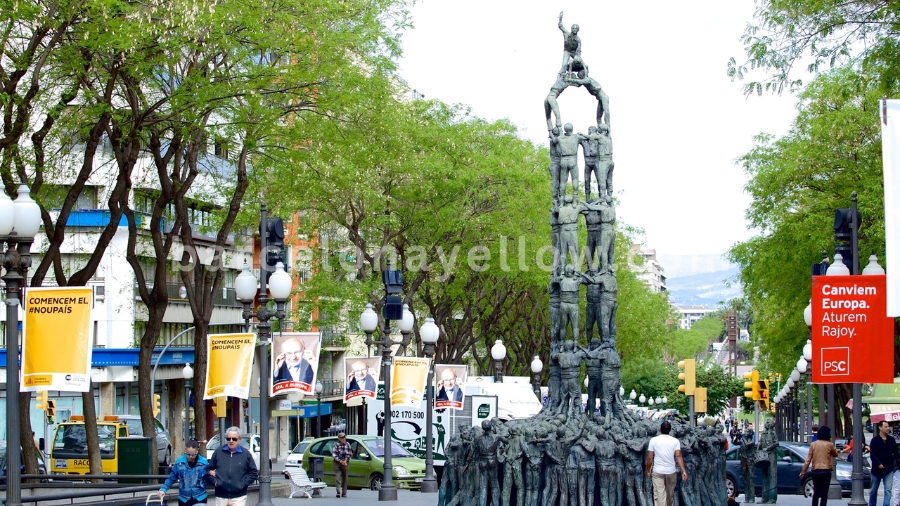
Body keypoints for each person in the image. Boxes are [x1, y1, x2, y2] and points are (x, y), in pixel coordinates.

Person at [208, 427, 258, 506]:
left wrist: (242, 484)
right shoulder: (218, 452)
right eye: (228, 438)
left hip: (239, 496)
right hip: (221, 495)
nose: (231, 441)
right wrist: (215, 482)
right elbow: (208, 469)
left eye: (234, 439)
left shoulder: (245, 454)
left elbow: (253, 473)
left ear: (239, 439)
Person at [158, 439, 213, 505]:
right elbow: (171, 478)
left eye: (193, 455)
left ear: (197, 451)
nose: (190, 457)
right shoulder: (179, 462)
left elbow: (207, 479)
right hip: (183, 498)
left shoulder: (203, 462)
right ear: (185, 450)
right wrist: (163, 489)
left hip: (200, 497)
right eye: (188, 454)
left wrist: (211, 474)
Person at [646, 421, 688, 506]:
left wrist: (648, 470)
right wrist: (683, 470)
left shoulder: (653, 440)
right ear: (670, 430)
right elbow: (678, 456)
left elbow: (650, 457)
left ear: (660, 429)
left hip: (658, 471)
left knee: (660, 496)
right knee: (670, 497)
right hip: (671, 471)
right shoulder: (675, 441)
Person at [800, 425, 838, 506]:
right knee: (824, 493)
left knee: (816, 492)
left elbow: (808, 460)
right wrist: (830, 442)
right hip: (826, 471)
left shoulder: (813, 444)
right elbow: (835, 454)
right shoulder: (829, 445)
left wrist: (803, 471)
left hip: (816, 470)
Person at [868, 420, 899, 506]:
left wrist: (897, 463)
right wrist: (878, 464)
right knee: (873, 490)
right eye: (886, 427)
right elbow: (872, 455)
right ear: (880, 428)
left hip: (888, 470)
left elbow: (896, 453)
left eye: (888, 426)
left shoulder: (891, 440)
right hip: (876, 471)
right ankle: (872, 504)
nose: (888, 428)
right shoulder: (875, 440)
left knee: (888, 491)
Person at [331, 432, 351, 498]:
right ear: (339, 438)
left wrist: (345, 460)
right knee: (337, 476)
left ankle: (344, 493)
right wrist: (340, 461)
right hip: (337, 462)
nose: (344, 438)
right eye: (342, 437)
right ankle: (338, 492)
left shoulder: (347, 444)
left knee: (345, 477)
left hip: (345, 461)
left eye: (344, 437)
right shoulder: (336, 444)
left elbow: (349, 453)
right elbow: (334, 454)